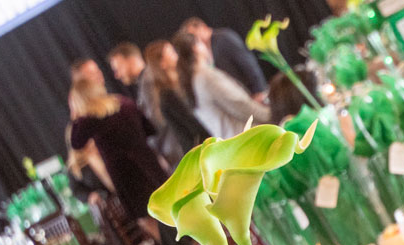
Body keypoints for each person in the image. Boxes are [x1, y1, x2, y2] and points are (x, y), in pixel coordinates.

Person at [68, 78, 165, 226]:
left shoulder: (89, 119)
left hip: (126, 176)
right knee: (169, 210)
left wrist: (76, 115)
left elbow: (76, 143)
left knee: (148, 222)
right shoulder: (124, 103)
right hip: (149, 164)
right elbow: (150, 129)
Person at [172, 32, 270, 139]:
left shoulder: (193, 81)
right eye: (201, 42)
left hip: (233, 139)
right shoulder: (206, 77)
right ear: (195, 48)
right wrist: (271, 115)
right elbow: (239, 105)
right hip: (247, 136)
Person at [143, 40, 209, 160]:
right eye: (171, 53)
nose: (176, 55)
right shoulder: (167, 95)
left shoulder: (177, 85)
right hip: (200, 149)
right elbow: (192, 124)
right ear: (162, 63)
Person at [179, 17, 267, 98]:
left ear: (203, 27)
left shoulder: (224, 37)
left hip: (252, 93)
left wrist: (259, 90)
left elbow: (248, 63)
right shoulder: (204, 51)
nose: (193, 40)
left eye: (194, 35)